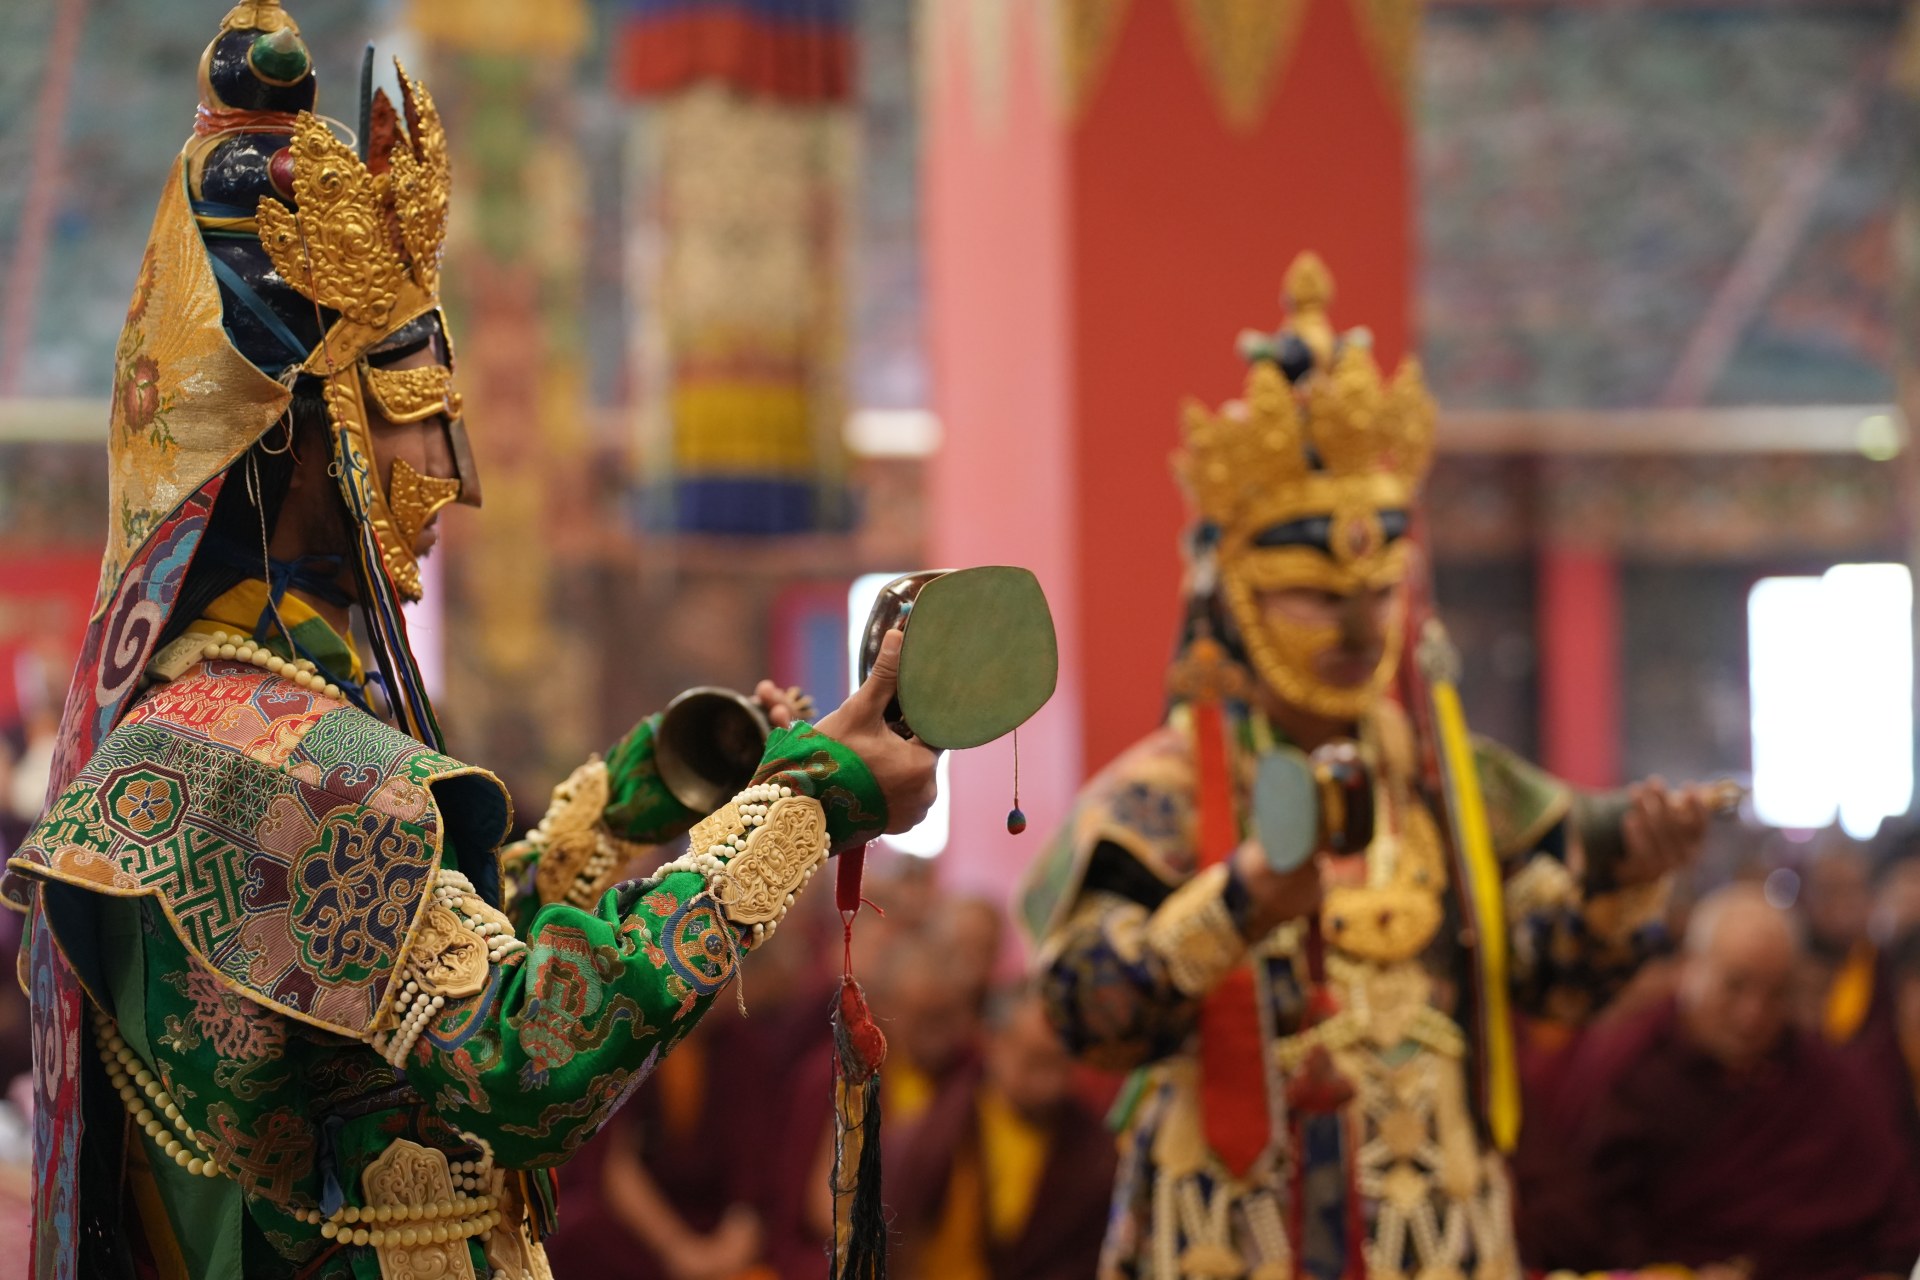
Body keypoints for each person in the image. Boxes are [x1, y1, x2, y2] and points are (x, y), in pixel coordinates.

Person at [4, 5, 936, 1278]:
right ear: (300, 435)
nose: (454, 472)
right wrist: (806, 806)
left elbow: (402, 985)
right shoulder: (257, 758)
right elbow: (523, 1060)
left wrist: (644, 799)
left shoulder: (224, 731)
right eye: (417, 414)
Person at [1017, 255, 1714, 1280]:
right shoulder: (1162, 791)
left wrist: (1626, 885)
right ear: (1233, 593)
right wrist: (1236, 904)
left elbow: (1553, 986)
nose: (1357, 626)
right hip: (1232, 1225)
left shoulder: (1450, 782)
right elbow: (1086, 1011)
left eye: (1379, 592)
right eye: (1317, 594)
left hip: (1438, 1219)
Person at [1554, 885, 1920, 1280]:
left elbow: (1894, 1215)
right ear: (1690, 968)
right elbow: (1588, 1221)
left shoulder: (1824, 1079)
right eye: (1735, 986)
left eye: (1776, 994)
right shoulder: (1632, 1068)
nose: (1753, 1015)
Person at [888, 986, 1117, 1280]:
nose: (1049, 1086)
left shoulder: (1092, 1154)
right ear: (994, 1043)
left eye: (1060, 1066)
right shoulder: (935, 1134)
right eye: (1035, 1063)